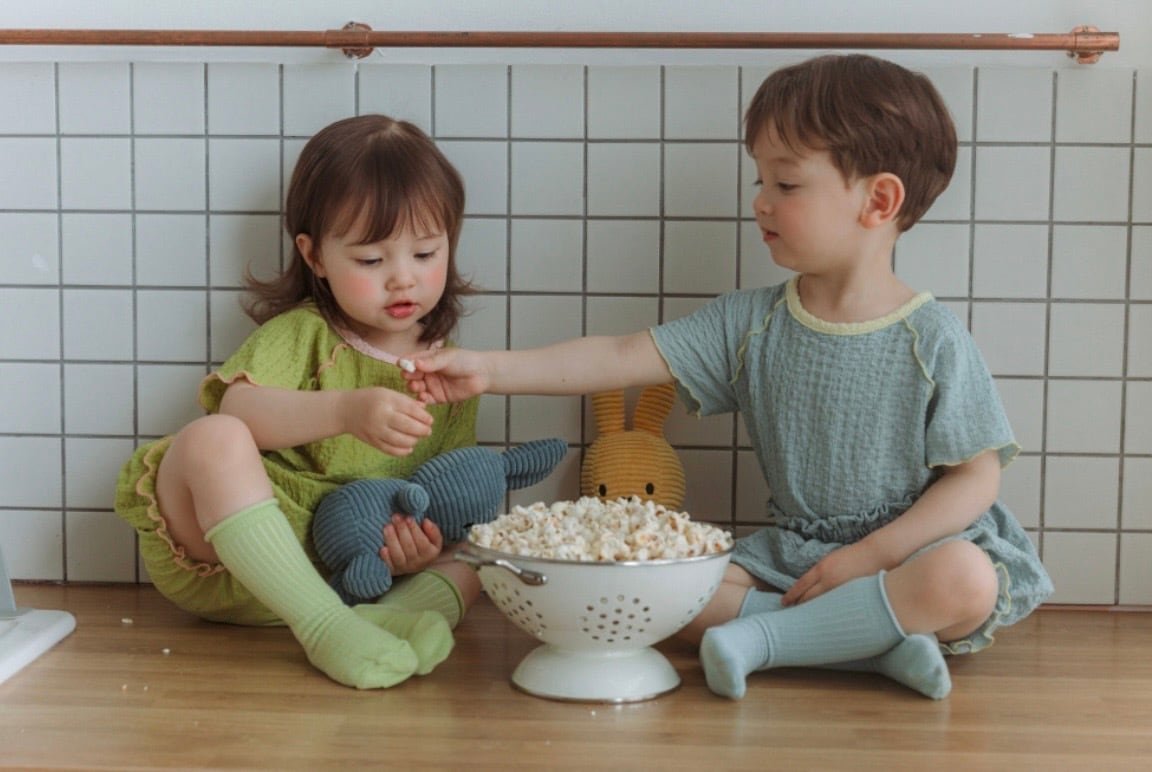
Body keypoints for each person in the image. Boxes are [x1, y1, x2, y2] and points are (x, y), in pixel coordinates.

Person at [402, 54, 1053, 700]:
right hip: (797, 557)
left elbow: (976, 478)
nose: (760, 202)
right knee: (675, 593)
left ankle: (767, 640)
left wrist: (872, 556)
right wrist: (488, 369)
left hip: (909, 557)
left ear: (878, 200)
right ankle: (876, 647)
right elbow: (621, 356)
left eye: (786, 184)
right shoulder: (751, 324)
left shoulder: (932, 337)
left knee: (966, 579)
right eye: (760, 180)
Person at [115, 114, 484, 689]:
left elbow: (450, 488)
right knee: (212, 438)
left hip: (355, 571)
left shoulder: (450, 371)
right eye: (371, 260)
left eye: (425, 254)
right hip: (239, 561)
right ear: (314, 258)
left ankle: (398, 618)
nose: (402, 279)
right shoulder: (305, 334)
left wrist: (417, 547)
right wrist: (345, 411)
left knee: (481, 551)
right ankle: (322, 624)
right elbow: (238, 411)